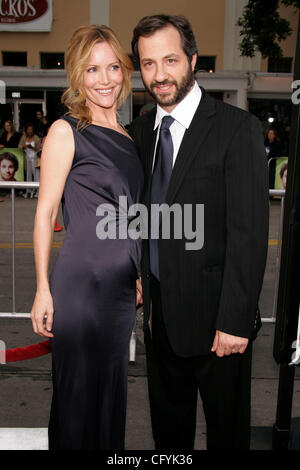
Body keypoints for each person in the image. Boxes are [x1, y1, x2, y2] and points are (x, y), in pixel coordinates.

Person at [130, 14, 269, 450]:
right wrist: (137, 273)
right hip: (161, 322)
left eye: (169, 60)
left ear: (192, 59)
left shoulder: (236, 128)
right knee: (169, 439)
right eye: (148, 63)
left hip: (218, 329)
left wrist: (233, 321)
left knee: (227, 436)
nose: (159, 74)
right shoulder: (140, 132)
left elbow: (248, 234)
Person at [30, 24, 144, 450]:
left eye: (113, 67)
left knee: (109, 399)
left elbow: (131, 215)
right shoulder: (67, 131)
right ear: (78, 77)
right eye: (93, 70)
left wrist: (135, 270)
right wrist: (43, 289)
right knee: (78, 399)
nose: (105, 79)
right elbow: (44, 215)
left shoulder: (129, 137)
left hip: (117, 296)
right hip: (79, 289)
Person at [18, 123, 41, 198]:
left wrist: (32, 147)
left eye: (31, 130)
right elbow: (19, 146)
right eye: (28, 130)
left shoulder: (36, 138)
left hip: (34, 159)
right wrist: (24, 146)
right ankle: (28, 191)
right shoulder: (24, 137)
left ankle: (37, 191)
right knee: (28, 175)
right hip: (27, 158)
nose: (30, 131)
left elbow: (39, 149)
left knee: (36, 175)